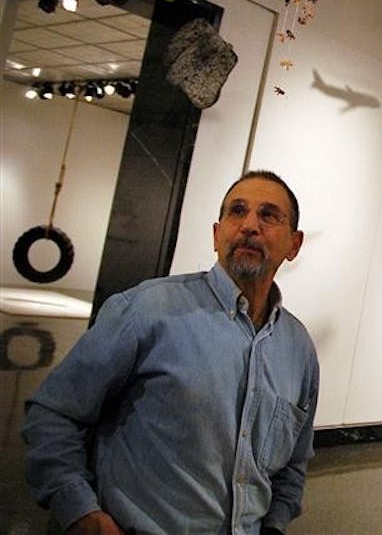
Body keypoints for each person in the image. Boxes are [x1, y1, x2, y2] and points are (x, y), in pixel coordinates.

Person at [22, 170, 319, 535]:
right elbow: (54, 413)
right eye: (236, 211)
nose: (249, 226)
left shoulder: (299, 349)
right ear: (216, 234)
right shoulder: (145, 310)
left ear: (294, 244)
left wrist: (273, 525)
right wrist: (80, 510)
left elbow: (293, 465)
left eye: (269, 215)